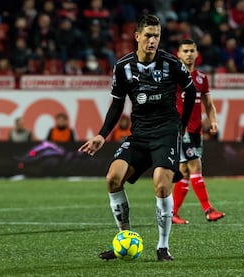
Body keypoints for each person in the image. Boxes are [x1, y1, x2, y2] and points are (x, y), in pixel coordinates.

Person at [78, 14, 197, 261]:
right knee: (113, 178)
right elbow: (117, 105)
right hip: (140, 133)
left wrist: (181, 126)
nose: (153, 41)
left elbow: (190, 89)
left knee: (162, 184)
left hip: (166, 132)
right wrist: (102, 135)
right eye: (148, 36)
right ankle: (124, 238)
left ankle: (163, 247)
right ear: (137, 37)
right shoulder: (123, 67)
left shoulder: (171, 64)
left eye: (157, 36)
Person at [172, 39, 225, 225]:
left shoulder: (201, 78)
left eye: (191, 50)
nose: (188, 54)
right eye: (184, 50)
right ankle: (208, 210)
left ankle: (172, 213)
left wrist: (213, 120)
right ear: (178, 54)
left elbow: (208, 104)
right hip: (180, 129)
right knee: (195, 166)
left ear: (196, 54)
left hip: (196, 130)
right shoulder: (173, 76)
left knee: (185, 171)